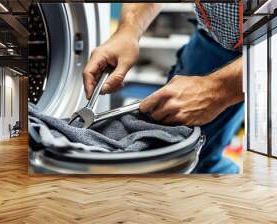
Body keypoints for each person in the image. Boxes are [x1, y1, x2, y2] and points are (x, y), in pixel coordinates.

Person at [82, 2, 244, 173]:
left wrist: (218, 89)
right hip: (214, 38)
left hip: (269, 48)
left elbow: (275, 46)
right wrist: (127, 31)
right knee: (186, 156)